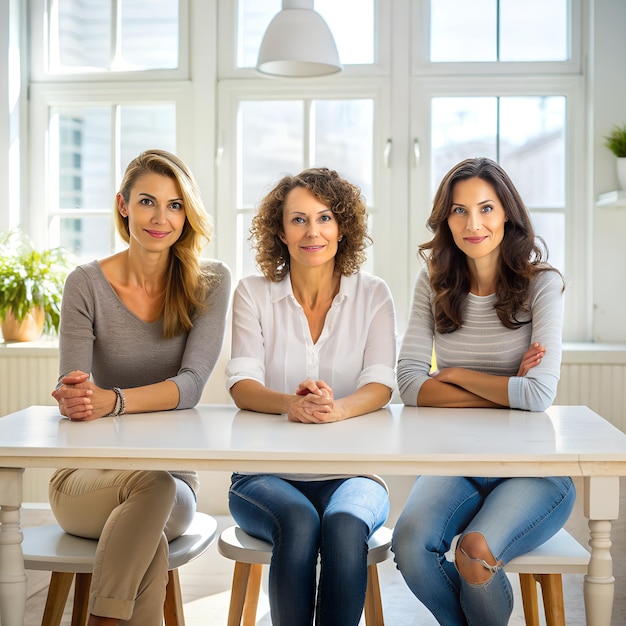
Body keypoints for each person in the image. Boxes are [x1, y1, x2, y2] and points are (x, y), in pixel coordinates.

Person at [49, 149, 230, 626]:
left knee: (154, 487)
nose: (161, 218)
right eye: (148, 201)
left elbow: (190, 386)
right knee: (146, 514)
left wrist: (113, 402)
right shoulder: (84, 284)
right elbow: (77, 392)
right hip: (86, 481)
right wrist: (73, 396)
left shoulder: (209, 282)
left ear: (187, 213)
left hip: (175, 489)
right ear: (123, 205)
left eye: (175, 205)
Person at [392, 157, 576, 626]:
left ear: (508, 214)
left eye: (486, 208)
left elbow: (538, 395)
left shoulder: (542, 285)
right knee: (410, 543)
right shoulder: (433, 281)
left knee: (473, 554)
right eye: (458, 210)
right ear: (445, 218)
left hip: (533, 470)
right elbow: (411, 387)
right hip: (455, 461)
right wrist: (507, 386)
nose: (473, 224)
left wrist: (453, 375)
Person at [225, 167, 396, 625]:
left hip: (354, 475)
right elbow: (242, 385)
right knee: (298, 524)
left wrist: (336, 409)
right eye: (298, 219)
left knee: (344, 525)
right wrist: (291, 404)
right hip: (264, 476)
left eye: (324, 218)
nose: (312, 231)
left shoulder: (374, 295)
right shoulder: (252, 294)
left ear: (342, 227)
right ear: (280, 231)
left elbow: (380, 385)